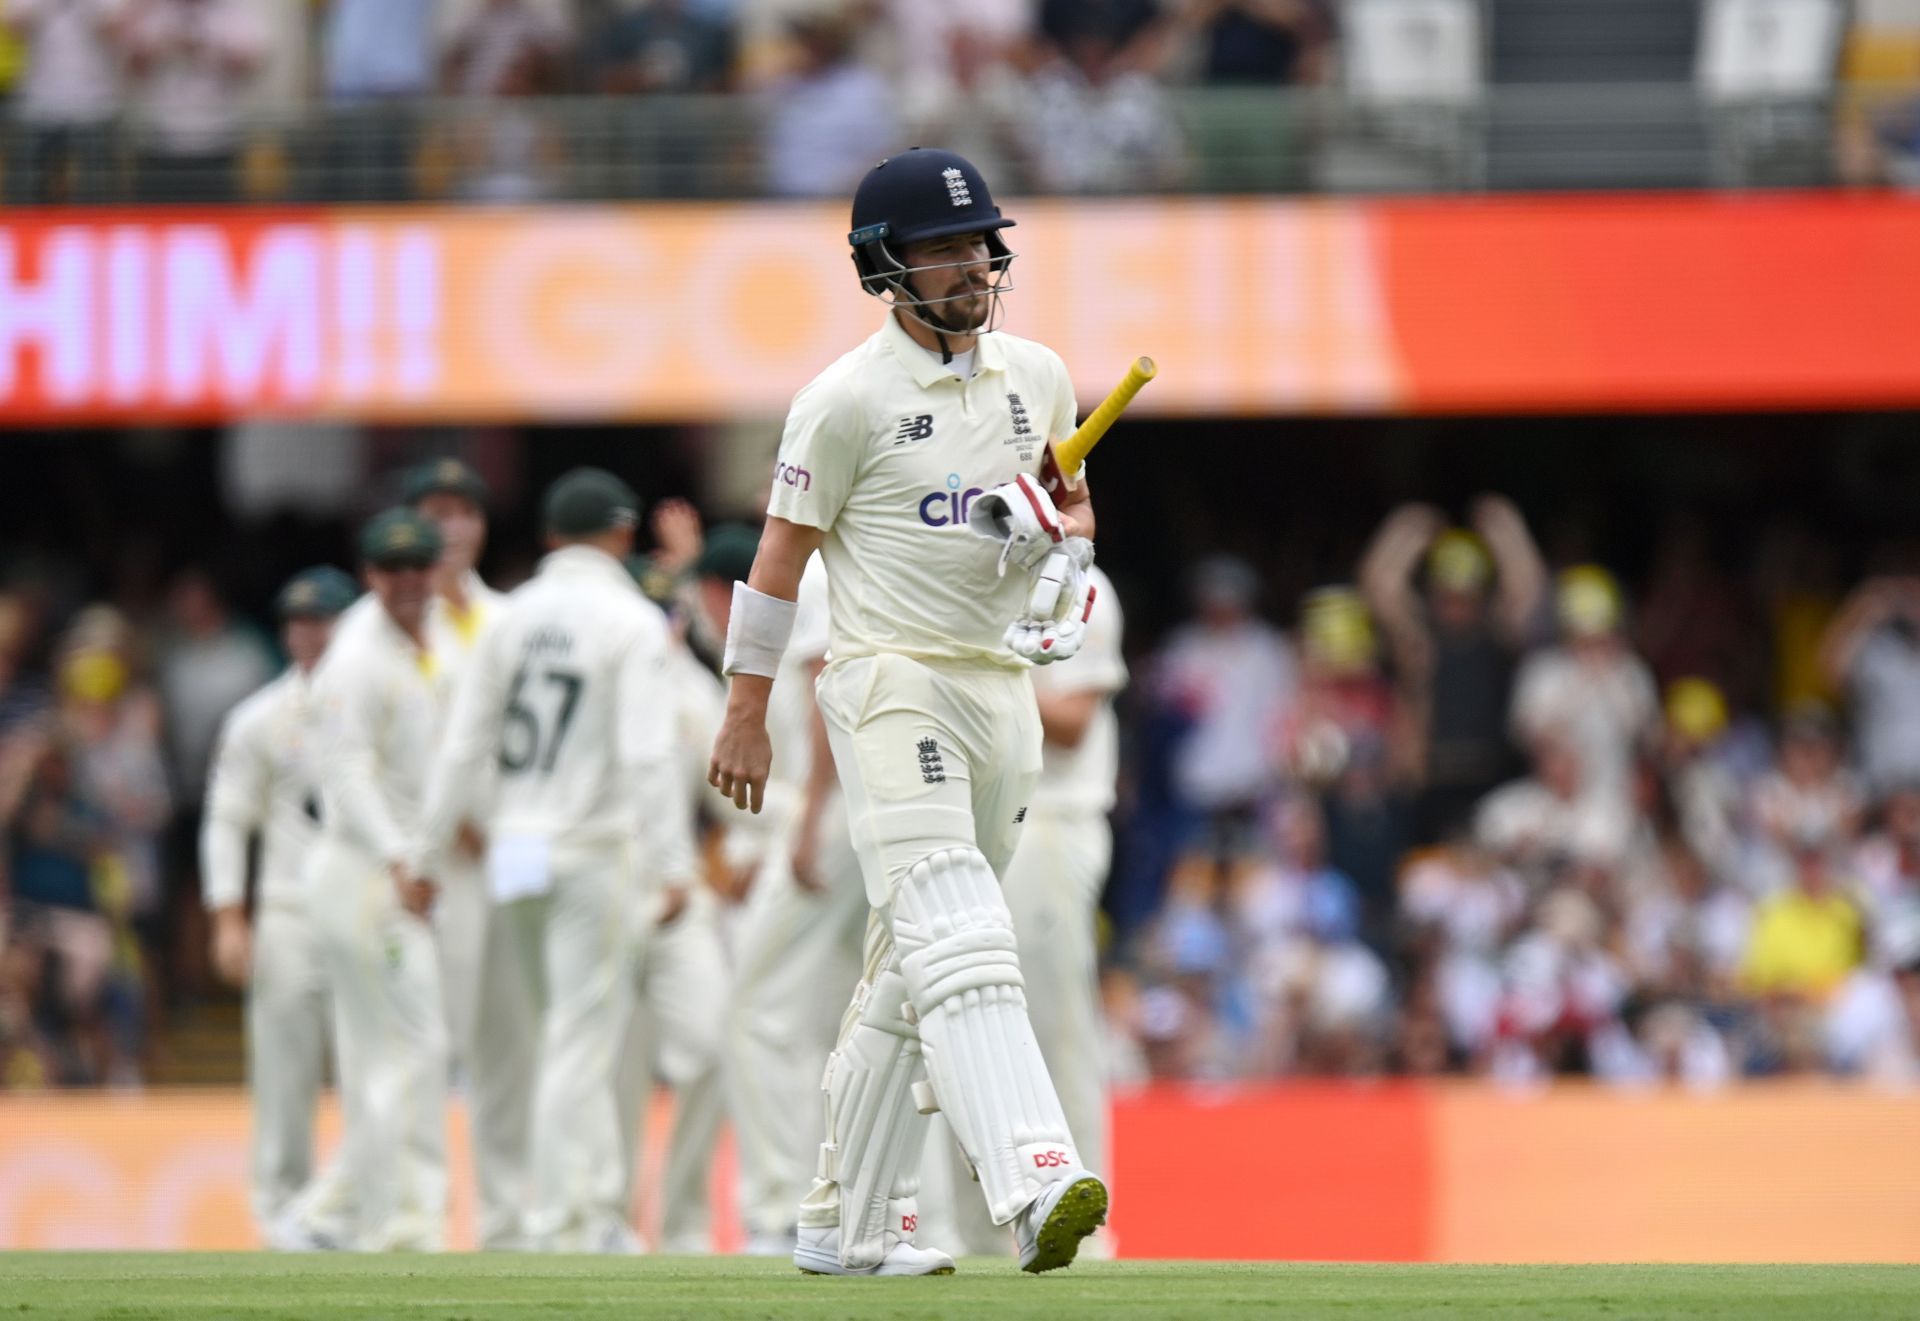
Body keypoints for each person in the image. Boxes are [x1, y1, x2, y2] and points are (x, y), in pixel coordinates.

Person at [707, 147, 1108, 1277]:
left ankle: (847, 1223)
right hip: (888, 680)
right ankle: (1036, 1180)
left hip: (997, 691)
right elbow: (779, 565)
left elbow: (1075, 525)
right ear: (885, 267)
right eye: (942, 247)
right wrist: (747, 714)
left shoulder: (1037, 375)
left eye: (980, 241)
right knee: (961, 931)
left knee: (905, 968)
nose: (972, 263)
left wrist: (1060, 559)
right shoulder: (843, 401)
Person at [415, 468, 697, 1253]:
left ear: (548, 538)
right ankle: (562, 1217)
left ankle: (590, 1210)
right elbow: (647, 754)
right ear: (620, 535)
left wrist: (423, 853)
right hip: (588, 847)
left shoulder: (511, 617)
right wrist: (674, 864)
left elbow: (463, 744)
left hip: (514, 849)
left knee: (549, 1035)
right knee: (582, 1037)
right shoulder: (631, 621)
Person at [931, 564, 1127, 1258]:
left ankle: (1087, 1226)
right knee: (962, 1025)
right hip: (974, 817)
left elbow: (1072, 719)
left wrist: (965, 675)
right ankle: (984, 1228)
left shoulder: (1078, 583)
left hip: (1051, 817)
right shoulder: (971, 576)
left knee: (1052, 1025)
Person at [297, 509, 452, 1252]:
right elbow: (345, 772)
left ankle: (333, 1211)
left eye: (420, 567)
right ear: (370, 575)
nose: (410, 582)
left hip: (391, 874)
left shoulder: (419, 641)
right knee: (407, 1046)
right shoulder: (356, 656)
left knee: (396, 1050)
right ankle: (402, 1219)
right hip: (364, 877)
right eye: (395, 570)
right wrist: (399, 856)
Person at [710, 524, 866, 1258]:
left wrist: (808, 822)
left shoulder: (818, 573)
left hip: (831, 812)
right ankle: (851, 1204)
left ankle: (779, 1205)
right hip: (876, 807)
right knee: (844, 1019)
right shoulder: (873, 551)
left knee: (758, 1009)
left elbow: (827, 687)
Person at [199, 566, 358, 1246]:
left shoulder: (380, 702)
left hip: (367, 908)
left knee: (375, 1071)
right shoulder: (260, 718)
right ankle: (279, 1215)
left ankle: (355, 1214)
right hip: (290, 910)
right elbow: (228, 819)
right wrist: (229, 916)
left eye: (321, 620)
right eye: (297, 622)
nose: (308, 634)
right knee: (284, 1072)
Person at [403, 457, 534, 1253]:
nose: (451, 526)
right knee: (428, 1037)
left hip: (514, 848)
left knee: (510, 1037)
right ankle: (418, 1216)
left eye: (464, 511)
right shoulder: (391, 625)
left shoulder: (510, 618)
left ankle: (507, 1221)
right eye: (436, 510)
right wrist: (441, 826)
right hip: (440, 856)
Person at [1359, 497, 1547, 844]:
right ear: (1432, 593)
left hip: (1489, 778)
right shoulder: (1418, 642)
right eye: (1447, 595)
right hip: (1428, 783)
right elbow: (1379, 588)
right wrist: (1406, 531)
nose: (1455, 605)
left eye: (1466, 596)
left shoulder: (1498, 635)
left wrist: (1507, 531)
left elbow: (1529, 590)